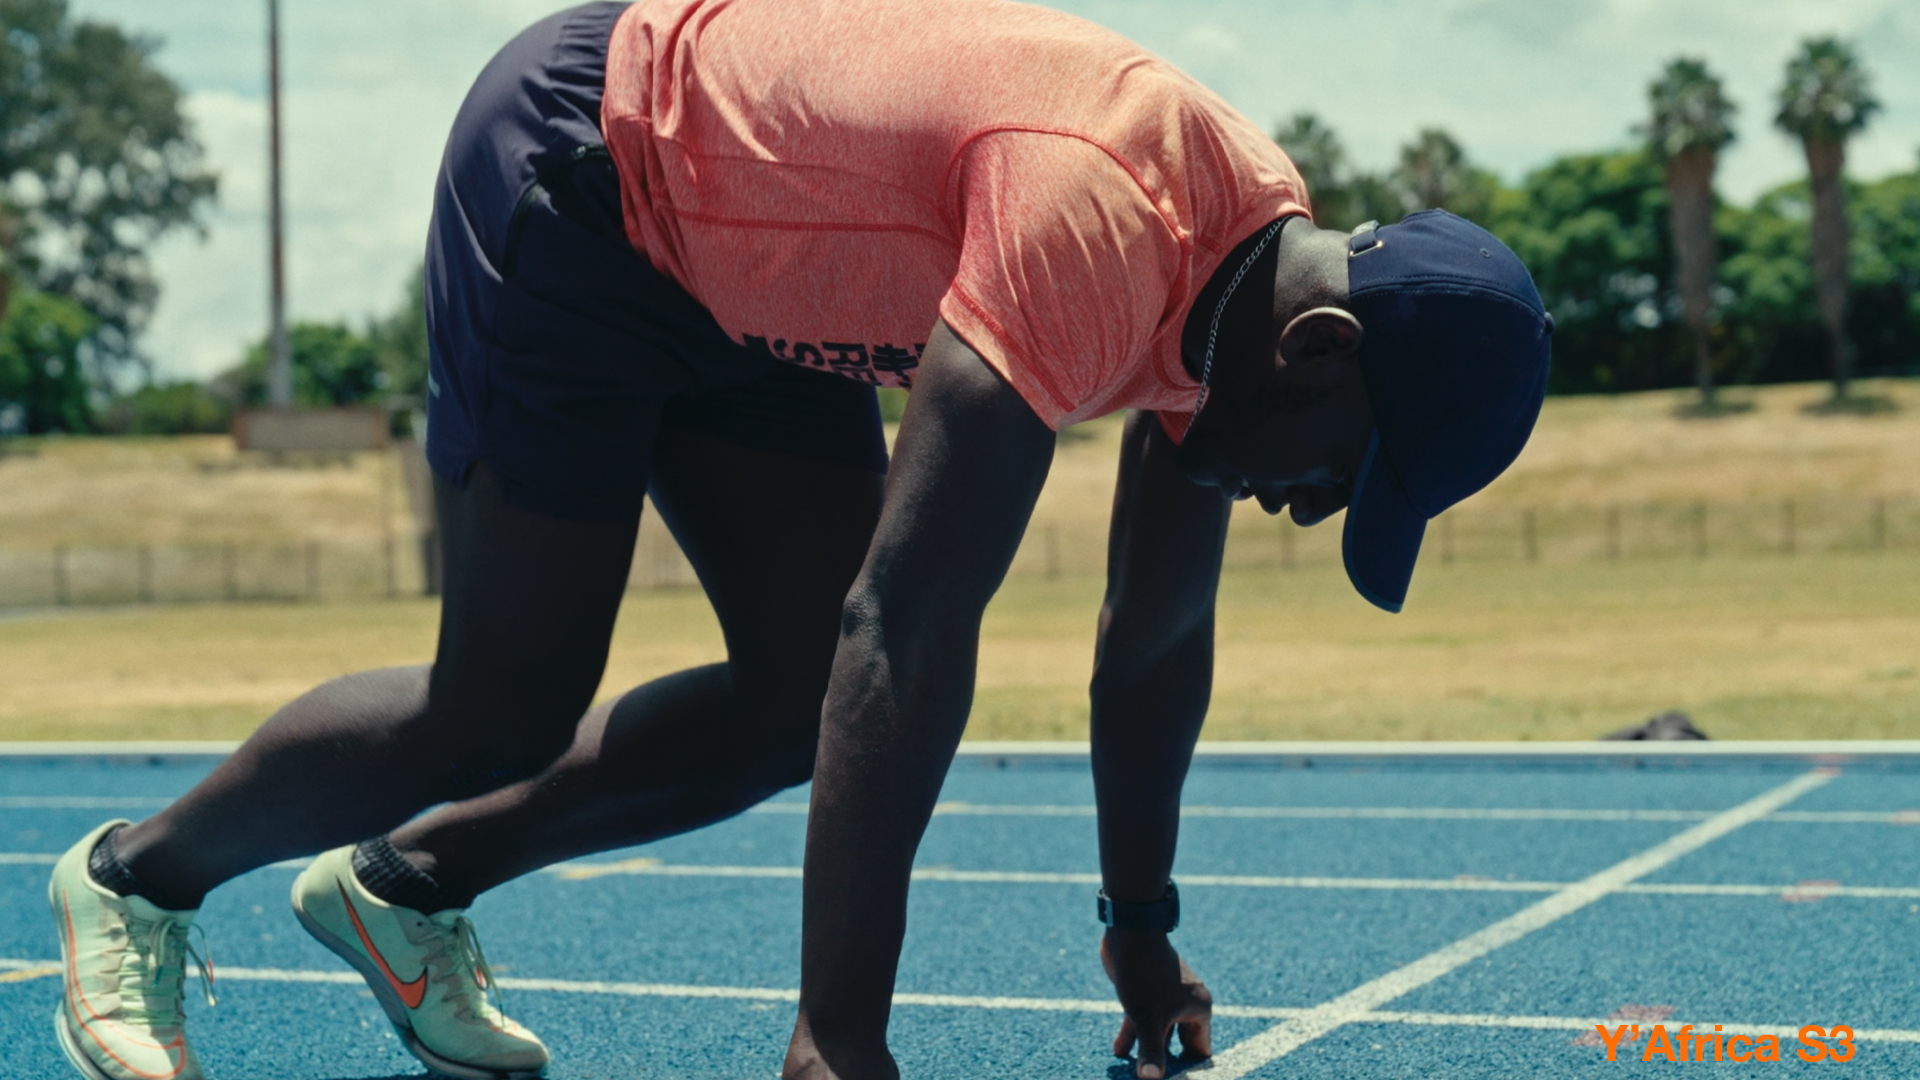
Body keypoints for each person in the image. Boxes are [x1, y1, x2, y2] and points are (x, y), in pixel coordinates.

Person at [45, 2, 1551, 1079]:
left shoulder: (1234, 300)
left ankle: (406, 887)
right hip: (589, 170)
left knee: (786, 709)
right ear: (1322, 344)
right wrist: (841, 1036)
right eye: (1345, 475)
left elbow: (1150, 650)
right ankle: (137, 878)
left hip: (753, 259)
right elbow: (903, 626)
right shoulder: (1094, 223)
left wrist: (1142, 934)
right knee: (505, 697)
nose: (1310, 506)